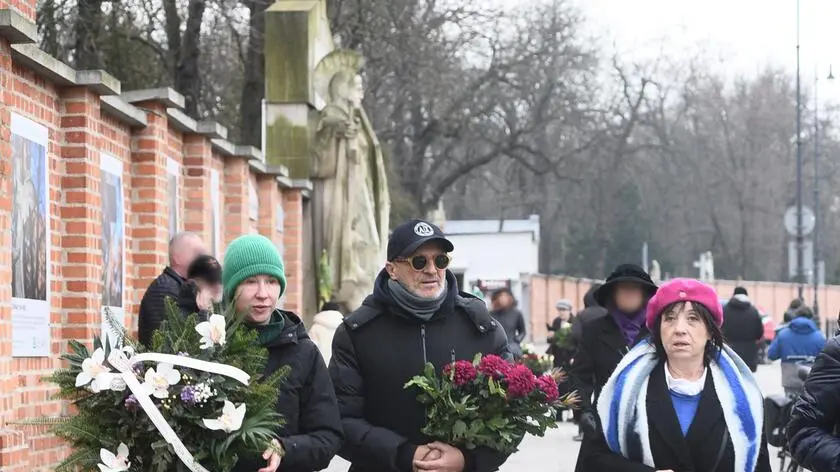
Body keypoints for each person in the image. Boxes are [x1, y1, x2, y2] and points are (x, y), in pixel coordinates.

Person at [330, 219, 513, 472]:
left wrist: (466, 461)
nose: (431, 270)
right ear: (392, 269)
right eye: (419, 261)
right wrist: (406, 454)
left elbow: (512, 413)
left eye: (440, 261)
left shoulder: (481, 328)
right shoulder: (357, 333)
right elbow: (341, 420)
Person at [581, 278, 771, 472]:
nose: (680, 329)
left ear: (710, 331)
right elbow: (593, 460)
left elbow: (760, 466)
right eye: (670, 318)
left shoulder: (745, 399)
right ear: (658, 330)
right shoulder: (624, 392)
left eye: (693, 319)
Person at [224, 235, 343, 472]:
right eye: (250, 281)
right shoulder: (208, 346)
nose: (263, 293)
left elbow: (328, 437)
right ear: (231, 287)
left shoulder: (303, 351)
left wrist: (285, 449)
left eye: (271, 281)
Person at [571, 263, 657, 464]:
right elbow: (579, 375)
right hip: (603, 423)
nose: (629, 294)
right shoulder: (594, 330)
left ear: (644, 294)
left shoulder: (657, 331)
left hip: (648, 423)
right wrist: (583, 411)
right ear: (612, 294)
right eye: (623, 289)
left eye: (634, 288)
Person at [138, 232, 206, 346]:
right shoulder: (165, 288)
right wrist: (204, 310)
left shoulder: (182, 287)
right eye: (196, 254)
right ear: (177, 258)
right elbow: (181, 343)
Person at [787, 332, 840, 472]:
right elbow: (802, 432)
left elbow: (773, 351)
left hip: (789, 375)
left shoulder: (784, 333)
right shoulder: (834, 348)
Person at [569, 284, 608, 441]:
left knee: (583, 392)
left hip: (584, 357)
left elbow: (574, 335)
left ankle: (583, 429)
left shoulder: (582, 314)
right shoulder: (608, 314)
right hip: (605, 358)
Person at [768, 305, 825, 396]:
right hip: (811, 379)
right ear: (811, 318)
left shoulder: (783, 334)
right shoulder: (820, 337)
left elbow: (771, 355)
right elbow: (825, 360)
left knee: (790, 407)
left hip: (789, 380)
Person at [721, 286, 764, 372]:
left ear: (734, 295)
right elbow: (759, 333)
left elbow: (719, 328)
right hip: (749, 351)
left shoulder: (725, 310)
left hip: (729, 350)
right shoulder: (753, 311)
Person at [176, 254, 223, 321]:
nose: (217, 287)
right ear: (193, 284)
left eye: (219, 281)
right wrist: (205, 313)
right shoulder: (178, 314)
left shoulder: (223, 308)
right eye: (210, 282)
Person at [490, 288, 527, 358]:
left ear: (510, 298)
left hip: (512, 346)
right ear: (496, 298)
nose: (503, 298)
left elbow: (523, 332)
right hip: (495, 347)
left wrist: (517, 340)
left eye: (505, 295)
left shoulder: (517, 313)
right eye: (500, 296)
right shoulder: (491, 314)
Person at [547, 299, 575, 370]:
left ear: (570, 310)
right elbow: (551, 340)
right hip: (558, 357)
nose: (561, 312)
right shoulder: (556, 321)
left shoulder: (575, 321)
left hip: (570, 357)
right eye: (559, 310)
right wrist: (550, 337)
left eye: (564, 310)